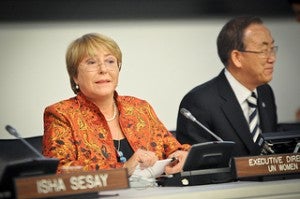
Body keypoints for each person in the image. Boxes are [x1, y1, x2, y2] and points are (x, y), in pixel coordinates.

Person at [43, 33, 190, 175]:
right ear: (75, 76)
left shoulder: (139, 108)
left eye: (110, 61)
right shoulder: (61, 114)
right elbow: (58, 170)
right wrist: (123, 169)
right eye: (91, 62)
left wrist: (181, 156)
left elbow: (173, 148)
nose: (103, 69)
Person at [176, 16, 278, 156]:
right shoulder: (199, 102)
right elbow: (200, 166)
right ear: (237, 57)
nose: (272, 58)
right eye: (263, 51)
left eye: (272, 49)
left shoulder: (265, 92)